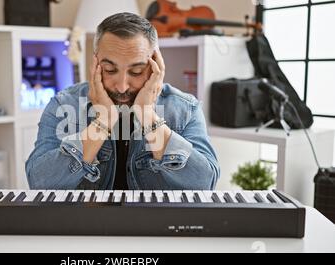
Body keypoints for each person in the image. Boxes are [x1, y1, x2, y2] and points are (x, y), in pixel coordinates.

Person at [25, 12, 219, 190]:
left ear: (155, 66)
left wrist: (148, 116)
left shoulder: (185, 109)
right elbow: (40, 182)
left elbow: (204, 184)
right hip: (87, 226)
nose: (122, 86)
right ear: (96, 64)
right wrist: (102, 122)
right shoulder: (63, 104)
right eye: (110, 70)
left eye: (136, 71)